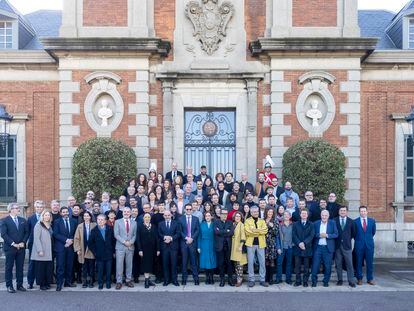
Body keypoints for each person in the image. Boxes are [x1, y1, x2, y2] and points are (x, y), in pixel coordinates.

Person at [1, 203, 29, 293]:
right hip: (10, 248)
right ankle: (9, 286)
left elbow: (27, 232)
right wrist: (13, 244)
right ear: (11, 210)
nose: (18, 209)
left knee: (20, 267)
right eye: (17, 208)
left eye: (18, 208)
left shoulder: (23, 220)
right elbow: (4, 234)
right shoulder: (4, 220)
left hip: (21, 248)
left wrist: (23, 242)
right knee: (9, 267)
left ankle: (19, 285)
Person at [311, 210, 338, 287]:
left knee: (327, 266)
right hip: (318, 248)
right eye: (323, 215)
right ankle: (314, 281)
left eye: (326, 215)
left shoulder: (332, 223)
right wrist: (319, 235)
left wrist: (327, 235)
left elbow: (336, 234)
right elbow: (313, 234)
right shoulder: (316, 223)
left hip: (328, 248)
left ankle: (326, 281)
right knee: (315, 265)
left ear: (328, 216)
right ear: (321, 215)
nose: (324, 217)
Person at [53, 206, 78, 291]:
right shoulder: (56, 222)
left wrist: (70, 241)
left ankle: (68, 282)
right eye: (63, 212)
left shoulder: (73, 221)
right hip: (61, 247)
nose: (65, 213)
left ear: (69, 212)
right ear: (60, 213)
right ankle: (59, 284)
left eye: (66, 212)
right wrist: (66, 240)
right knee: (60, 266)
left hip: (70, 247)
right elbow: (56, 234)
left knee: (69, 265)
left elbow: (75, 233)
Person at [88, 214, 115, 290]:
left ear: (105, 221)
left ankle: (108, 282)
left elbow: (113, 241)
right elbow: (90, 243)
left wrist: (112, 251)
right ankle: (100, 283)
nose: (100, 221)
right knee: (100, 270)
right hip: (99, 254)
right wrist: (95, 252)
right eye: (98, 219)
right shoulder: (94, 230)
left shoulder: (110, 229)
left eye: (102, 219)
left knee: (108, 269)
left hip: (108, 253)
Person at [244, 206, 268, 287]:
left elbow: (265, 231)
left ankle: (262, 279)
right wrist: (259, 231)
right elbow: (247, 232)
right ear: (251, 213)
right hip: (250, 244)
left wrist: (254, 230)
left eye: (257, 211)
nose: (256, 213)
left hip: (261, 244)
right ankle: (251, 279)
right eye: (254, 211)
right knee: (250, 262)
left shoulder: (262, 221)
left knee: (262, 262)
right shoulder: (247, 221)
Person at [114, 206, 137, 289]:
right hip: (120, 246)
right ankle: (119, 281)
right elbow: (116, 234)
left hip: (130, 247)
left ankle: (128, 280)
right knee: (119, 265)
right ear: (122, 213)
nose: (126, 213)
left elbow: (135, 235)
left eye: (128, 212)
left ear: (130, 213)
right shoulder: (117, 222)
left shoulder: (134, 222)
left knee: (129, 264)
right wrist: (124, 242)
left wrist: (130, 242)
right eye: (125, 212)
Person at [136, 213, 160, 288]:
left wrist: (158, 249)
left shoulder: (154, 226)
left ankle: (148, 280)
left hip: (152, 249)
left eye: (148, 217)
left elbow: (157, 238)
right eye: (145, 217)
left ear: (150, 218)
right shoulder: (140, 226)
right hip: (144, 249)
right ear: (143, 218)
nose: (147, 218)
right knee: (146, 265)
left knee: (150, 264)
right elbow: (138, 239)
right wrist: (140, 250)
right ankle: (146, 281)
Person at [31, 210, 53, 290]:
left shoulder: (49, 225)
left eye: (48, 215)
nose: (47, 217)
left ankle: (47, 283)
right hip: (41, 250)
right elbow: (36, 239)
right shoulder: (38, 225)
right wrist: (40, 250)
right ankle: (42, 284)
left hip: (48, 250)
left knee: (47, 268)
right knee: (41, 268)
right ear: (42, 216)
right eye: (45, 215)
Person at [334, 206, 356, 288]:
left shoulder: (351, 222)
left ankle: (351, 281)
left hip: (347, 246)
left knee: (349, 264)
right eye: (341, 210)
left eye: (344, 210)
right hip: (337, 246)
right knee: (338, 264)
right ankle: (340, 280)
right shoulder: (334, 221)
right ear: (339, 212)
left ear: (347, 212)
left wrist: (346, 239)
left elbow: (353, 233)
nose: (342, 212)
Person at [292, 209, 315, 287]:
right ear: (300, 214)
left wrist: (304, 243)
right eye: (302, 213)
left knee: (306, 267)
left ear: (307, 215)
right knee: (297, 266)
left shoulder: (311, 224)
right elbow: (294, 235)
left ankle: (305, 281)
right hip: (297, 248)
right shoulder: (295, 224)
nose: (304, 215)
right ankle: (298, 281)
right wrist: (299, 243)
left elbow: (311, 235)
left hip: (307, 248)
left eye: (305, 213)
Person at [74, 211, 96, 288]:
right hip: (82, 248)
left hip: (91, 249)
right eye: (85, 216)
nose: (86, 217)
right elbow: (76, 238)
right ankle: (84, 282)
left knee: (91, 266)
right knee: (84, 267)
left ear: (90, 217)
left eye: (88, 216)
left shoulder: (94, 225)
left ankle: (91, 282)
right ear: (83, 217)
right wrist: (78, 249)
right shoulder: (80, 226)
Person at [158, 210, 181, 286]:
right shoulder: (160, 224)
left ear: (171, 215)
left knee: (174, 264)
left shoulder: (176, 223)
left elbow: (178, 233)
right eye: (165, 215)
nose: (167, 216)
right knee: (165, 264)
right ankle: (166, 280)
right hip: (164, 247)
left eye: (168, 215)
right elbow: (159, 233)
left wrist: (171, 238)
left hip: (173, 247)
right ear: (163, 216)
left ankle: (174, 280)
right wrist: (164, 237)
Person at [354, 206, 376, 286]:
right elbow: (354, 233)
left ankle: (370, 279)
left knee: (369, 263)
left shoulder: (372, 221)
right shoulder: (355, 221)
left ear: (367, 212)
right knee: (358, 262)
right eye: (361, 211)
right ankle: (359, 278)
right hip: (359, 245)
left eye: (364, 211)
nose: (363, 212)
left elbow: (373, 232)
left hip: (369, 245)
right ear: (359, 212)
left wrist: (367, 239)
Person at [179, 203, 200, 285]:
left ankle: (196, 278)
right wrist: (186, 238)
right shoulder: (180, 219)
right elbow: (180, 231)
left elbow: (197, 230)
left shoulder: (196, 219)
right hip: (184, 243)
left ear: (192, 210)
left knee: (193, 262)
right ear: (184, 210)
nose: (188, 211)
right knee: (184, 262)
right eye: (187, 209)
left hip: (193, 243)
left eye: (190, 209)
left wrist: (192, 238)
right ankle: (184, 278)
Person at [214, 208, 235, 286]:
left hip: (228, 246)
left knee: (229, 263)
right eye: (223, 214)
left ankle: (230, 280)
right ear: (220, 214)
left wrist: (221, 231)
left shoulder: (230, 222)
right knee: (221, 263)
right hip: (220, 246)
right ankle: (222, 280)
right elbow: (216, 232)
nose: (224, 215)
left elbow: (231, 233)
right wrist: (226, 231)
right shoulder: (216, 222)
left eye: (226, 214)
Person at [27, 200, 44, 289]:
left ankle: (40, 282)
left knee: (41, 264)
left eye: (41, 207)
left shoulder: (46, 217)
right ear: (35, 207)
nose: (39, 208)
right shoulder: (30, 218)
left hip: (44, 244)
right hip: (33, 244)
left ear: (43, 208)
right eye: (37, 207)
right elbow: (28, 232)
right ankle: (30, 282)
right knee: (32, 263)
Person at [197, 211, 217, 285]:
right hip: (203, 244)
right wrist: (198, 246)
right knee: (205, 261)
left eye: (209, 216)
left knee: (212, 261)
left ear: (211, 217)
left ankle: (211, 277)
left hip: (212, 244)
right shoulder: (201, 224)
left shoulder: (214, 224)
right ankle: (207, 277)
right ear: (204, 217)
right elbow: (199, 236)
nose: (208, 217)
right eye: (206, 216)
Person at [276, 210, 293, 285]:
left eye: (287, 215)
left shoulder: (293, 225)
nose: (286, 216)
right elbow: (277, 237)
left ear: (290, 216)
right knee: (279, 263)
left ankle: (288, 279)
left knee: (289, 263)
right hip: (282, 247)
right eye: (284, 215)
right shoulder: (280, 225)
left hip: (290, 246)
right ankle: (278, 278)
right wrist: (278, 247)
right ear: (283, 216)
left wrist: (293, 244)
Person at [230, 211, 247, 287]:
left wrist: (241, 245)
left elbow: (243, 236)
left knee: (240, 264)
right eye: (236, 216)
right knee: (236, 264)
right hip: (233, 246)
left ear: (241, 218)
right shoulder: (232, 224)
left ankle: (239, 279)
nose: (237, 218)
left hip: (239, 247)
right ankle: (238, 278)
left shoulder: (242, 225)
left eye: (239, 216)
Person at [264, 207, 280, 285]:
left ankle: (271, 278)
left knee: (272, 261)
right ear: (266, 212)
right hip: (264, 243)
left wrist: (272, 226)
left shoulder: (275, 220)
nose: (270, 213)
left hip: (272, 243)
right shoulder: (263, 220)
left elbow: (276, 233)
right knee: (266, 260)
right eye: (268, 212)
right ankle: (266, 277)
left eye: (271, 212)